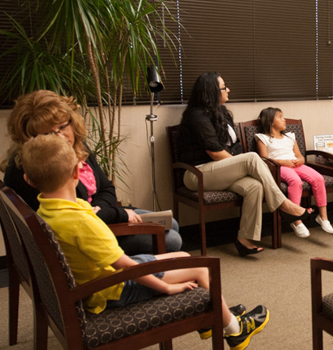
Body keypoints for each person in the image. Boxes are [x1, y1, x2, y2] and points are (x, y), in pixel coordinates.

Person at [21, 135, 269, 350]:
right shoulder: (80, 221)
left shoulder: (45, 211)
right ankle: (235, 330)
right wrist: (167, 289)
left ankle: (211, 319)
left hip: (100, 279)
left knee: (183, 257)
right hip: (112, 289)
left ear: (29, 180)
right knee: (202, 268)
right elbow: (127, 266)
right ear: (77, 172)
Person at [3, 90, 182, 254]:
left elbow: (106, 188)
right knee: (171, 240)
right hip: (81, 241)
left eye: (62, 127)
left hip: (100, 219)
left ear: (72, 122)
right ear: (30, 138)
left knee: (170, 224)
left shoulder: (79, 148)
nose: (59, 137)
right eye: (48, 134)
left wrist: (101, 209)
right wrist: (116, 214)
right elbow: (73, 220)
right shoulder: (33, 168)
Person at [178, 72, 313, 256]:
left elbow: (234, 147)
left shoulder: (222, 113)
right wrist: (242, 165)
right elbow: (215, 152)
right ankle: (284, 205)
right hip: (197, 173)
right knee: (251, 158)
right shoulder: (196, 116)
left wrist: (240, 166)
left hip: (221, 171)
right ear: (211, 91)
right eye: (224, 87)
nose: (228, 90)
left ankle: (244, 239)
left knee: (254, 186)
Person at [255, 107, 333, 237]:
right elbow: (264, 160)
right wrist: (283, 162)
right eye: (279, 117)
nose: (284, 119)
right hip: (279, 167)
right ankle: (296, 220)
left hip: (295, 164)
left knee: (319, 178)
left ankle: (323, 217)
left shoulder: (290, 137)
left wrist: (300, 160)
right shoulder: (262, 138)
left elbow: (299, 155)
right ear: (270, 121)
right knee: (295, 181)